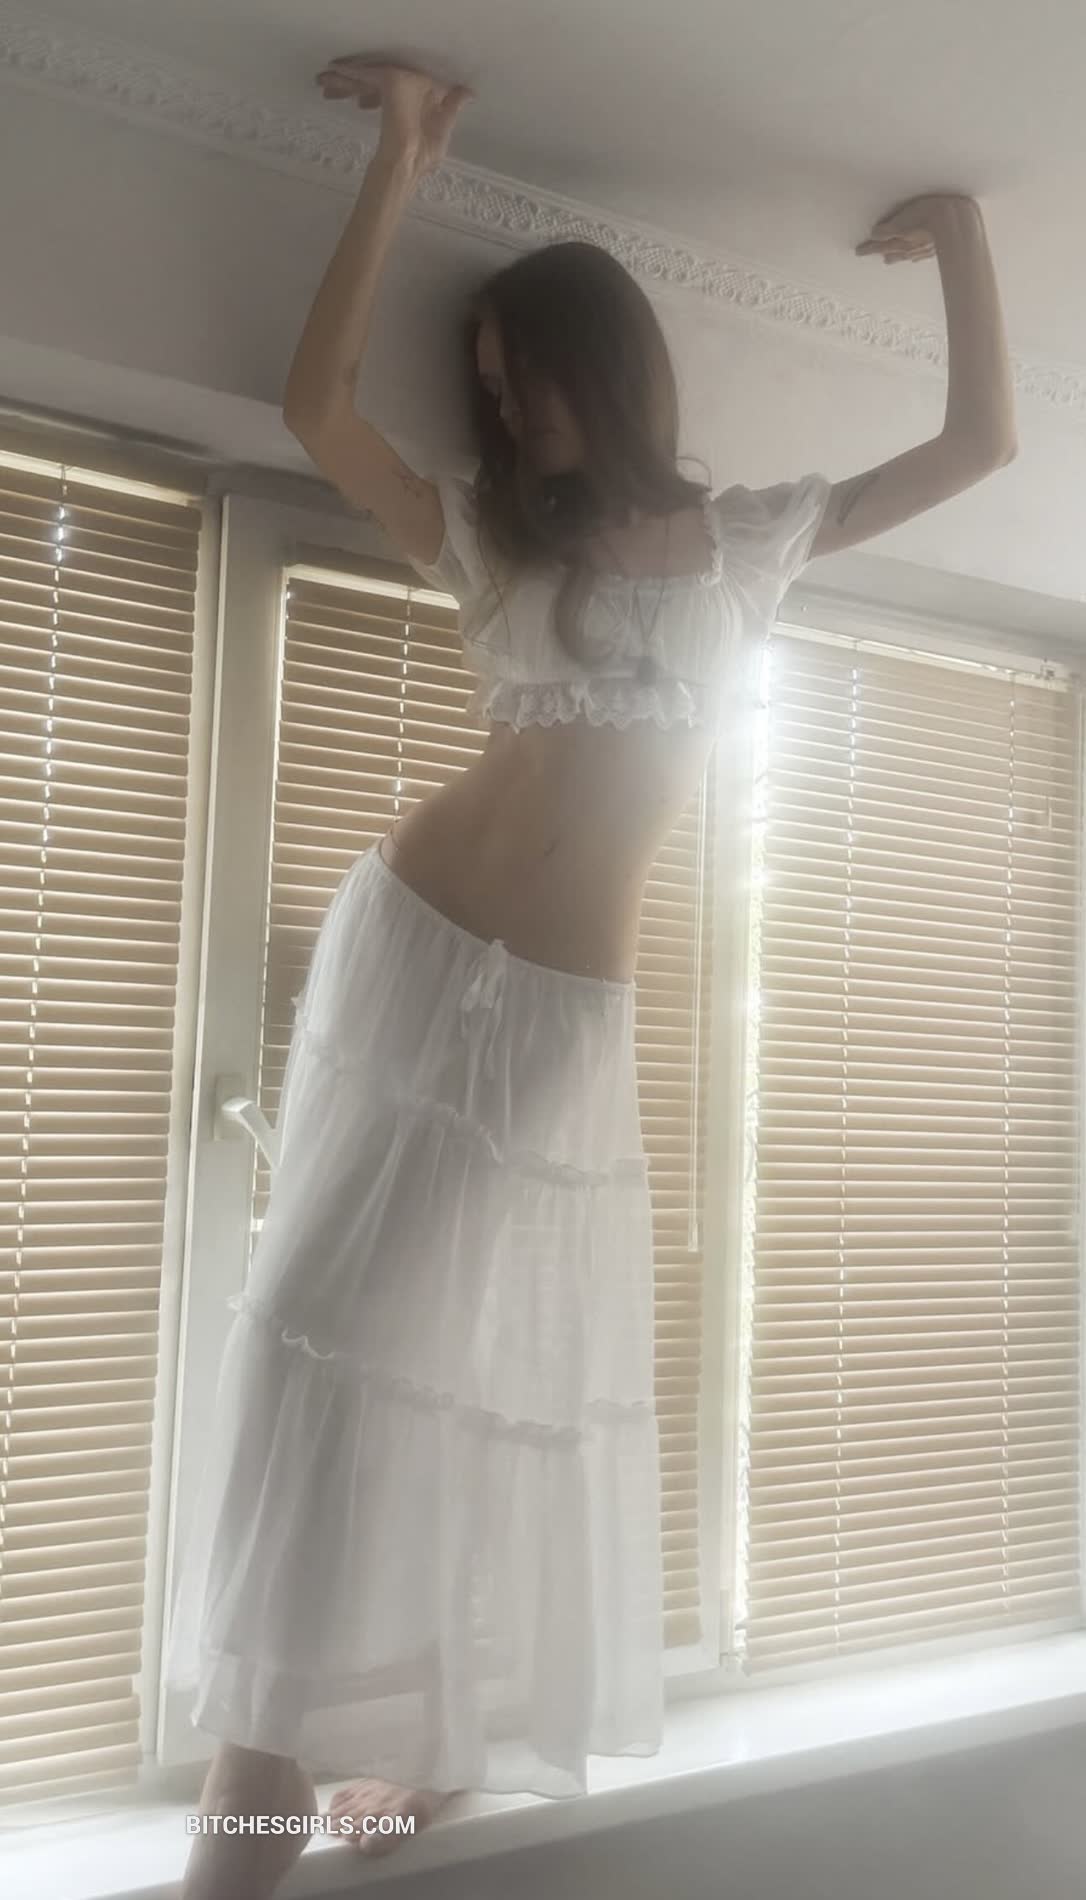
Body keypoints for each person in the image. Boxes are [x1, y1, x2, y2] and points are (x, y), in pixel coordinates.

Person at [170, 56, 1017, 1900]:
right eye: (486, 387)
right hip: (413, 951)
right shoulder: (493, 544)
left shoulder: (746, 541)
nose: (501, 407)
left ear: (604, 369)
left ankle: (409, 1748)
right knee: (320, 1342)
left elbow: (977, 451)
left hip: (554, 1016)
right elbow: (316, 408)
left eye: (523, 375)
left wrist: (962, 233)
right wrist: (401, 158)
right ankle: (254, 1803)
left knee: (458, 1358)